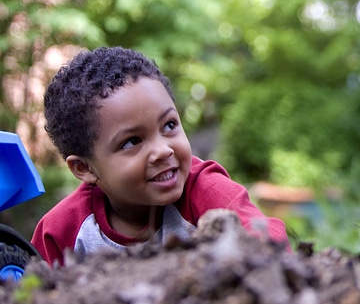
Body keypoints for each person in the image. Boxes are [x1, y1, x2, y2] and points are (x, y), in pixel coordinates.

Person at [32, 46, 288, 266]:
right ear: (84, 168)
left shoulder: (205, 191)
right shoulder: (61, 232)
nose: (163, 150)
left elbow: (264, 237)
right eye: (132, 141)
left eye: (169, 125)